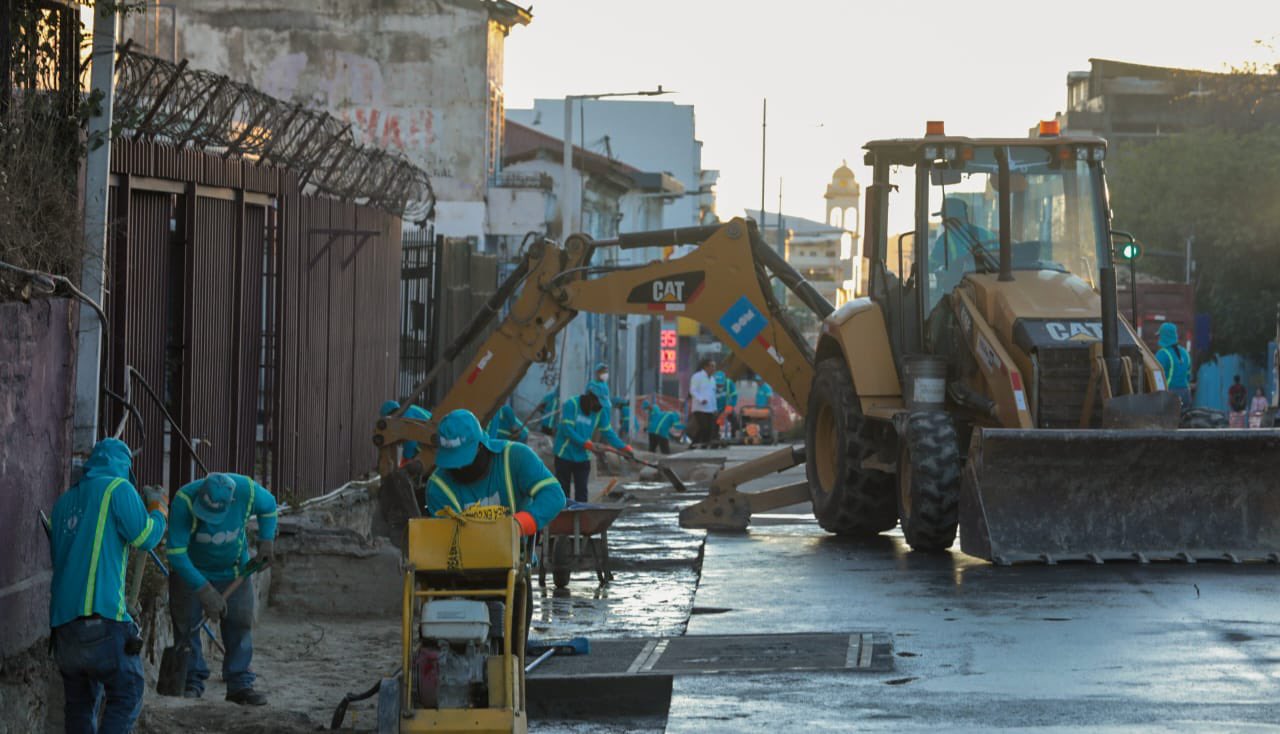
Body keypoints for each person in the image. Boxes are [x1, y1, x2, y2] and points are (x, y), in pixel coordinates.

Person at [49, 438, 168, 734]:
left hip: (64, 628)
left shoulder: (64, 502)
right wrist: (158, 510)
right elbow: (145, 537)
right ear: (124, 466)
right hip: (101, 620)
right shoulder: (118, 488)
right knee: (127, 694)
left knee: (79, 707)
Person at [166, 473, 277, 705]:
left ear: (232, 502)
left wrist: (267, 540)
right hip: (191, 573)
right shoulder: (184, 500)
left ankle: (239, 684)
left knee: (239, 625)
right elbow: (176, 553)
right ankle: (190, 681)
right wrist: (204, 590)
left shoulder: (247, 491)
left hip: (234, 572)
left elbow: (269, 506)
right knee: (187, 626)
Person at [553, 389, 632, 502]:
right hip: (564, 454)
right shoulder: (572, 404)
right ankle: (564, 515)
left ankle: (580, 516)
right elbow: (567, 429)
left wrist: (623, 447)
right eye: (598, 403)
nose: (599, 406)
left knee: (582, 492)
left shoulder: (600, 411)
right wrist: (585, 443)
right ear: (590, 398)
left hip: (583, 456)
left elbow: (608, 432)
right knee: (563, 491)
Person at [931, 197, 997, 275]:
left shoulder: (944, 240)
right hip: (989, 284)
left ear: (951, 218)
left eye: (943, 217)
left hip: (960, 284)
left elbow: (930, 265)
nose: (942, 223)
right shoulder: (988, 234)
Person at [1154, 322, 1192, 410]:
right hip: (1186, 394)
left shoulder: (1162, 354)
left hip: (1170, 395)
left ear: (1164, 336)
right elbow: (1188, 376)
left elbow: (1156, 377)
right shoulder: (1185, 353)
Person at [687, 358, 718, 447]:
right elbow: (693, 390)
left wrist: (715, 408)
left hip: (710, 408)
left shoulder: (712, 379)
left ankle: (702, 445)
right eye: (712, 366)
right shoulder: (697, 376)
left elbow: (713, 395)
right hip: (699, 407)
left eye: (714, 366)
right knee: (704, 427)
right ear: (705, 367)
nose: (714, 368)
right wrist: (701, 399)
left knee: (709, 429)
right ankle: (695, 444)